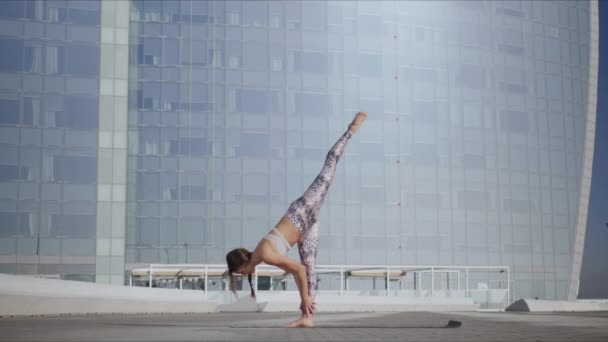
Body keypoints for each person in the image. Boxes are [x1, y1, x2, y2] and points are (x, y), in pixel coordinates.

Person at [225, 112, 367, 328]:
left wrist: (303, 297)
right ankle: (307, 317)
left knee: (328, 169)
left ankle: (350, 130)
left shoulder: (264, 254)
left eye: (240, 272)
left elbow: (295, 270)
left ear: (243, 265)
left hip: (301, 212)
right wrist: (304, 297)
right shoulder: (261, 257)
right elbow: (300, 270)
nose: (244, 275)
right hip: (307, 228)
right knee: (310, 270)